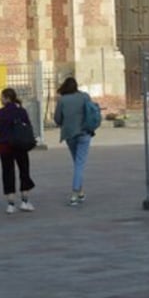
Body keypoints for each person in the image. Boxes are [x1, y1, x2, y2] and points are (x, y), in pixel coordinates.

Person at [0, 87, 37, 214]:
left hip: (5, 147)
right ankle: (25, 201)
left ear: (7, 98)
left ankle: (10, 204)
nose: (1, 99)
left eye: (2, 97)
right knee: (24, 171)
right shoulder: (21, 111)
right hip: (20, 146)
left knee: (7, 173)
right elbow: (28, 127)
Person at [52, 76, 94, 206]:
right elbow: (91, 112)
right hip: (84, 132)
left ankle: (79, 192)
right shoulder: (85, 97)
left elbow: (57, 119)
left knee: (77, 163)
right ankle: (76, 193)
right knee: (79, 164)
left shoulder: (62, 100)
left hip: (70, 134)